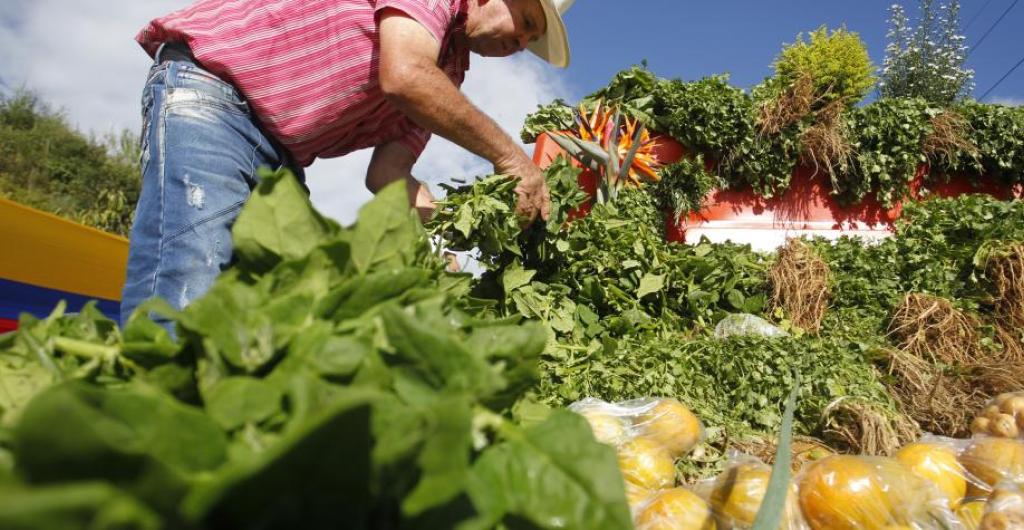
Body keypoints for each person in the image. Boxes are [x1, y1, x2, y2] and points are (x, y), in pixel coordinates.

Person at [119, 0, 577, 330]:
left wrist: (453, 228)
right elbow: (404, 75)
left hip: (280, 153)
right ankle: (146, 443)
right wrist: (512, 159)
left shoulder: (448, 75)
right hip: (216, 94)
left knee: (275, 310)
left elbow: (388, 176)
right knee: (191, 278)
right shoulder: (432, 27)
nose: (519, 43)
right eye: (527, 22)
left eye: (530, 40)